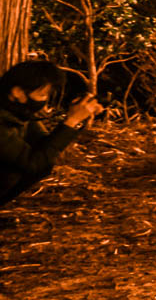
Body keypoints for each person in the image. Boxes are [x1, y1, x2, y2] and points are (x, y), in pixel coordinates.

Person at [1, 60, 102, 206]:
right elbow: (34, 163)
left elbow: (46, 150)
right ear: (17, 92)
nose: (45, 100)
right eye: (42, 94)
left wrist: (76, 117)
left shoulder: (19, 112)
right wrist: (72, 120)